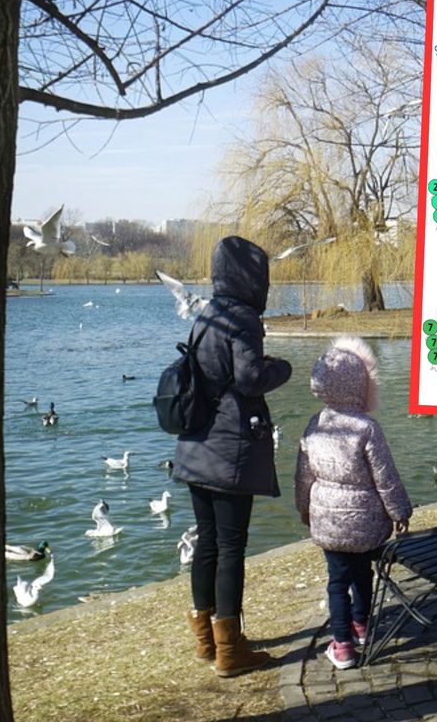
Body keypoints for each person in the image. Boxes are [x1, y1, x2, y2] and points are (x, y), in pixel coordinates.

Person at [173, 236, 292, 678]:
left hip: (195, 444)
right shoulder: (243, 318)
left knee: (207, 541)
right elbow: (249, 378)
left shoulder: (206, 313)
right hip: (228, 450)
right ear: (252, 277)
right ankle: (230, 650)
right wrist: (282, 368)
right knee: (231, 546)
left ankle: (205, 640)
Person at [295, 337, 412, 670]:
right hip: (366, 520)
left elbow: (303, 477)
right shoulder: (367, 427)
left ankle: (342, 645)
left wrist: (303, 508)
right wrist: (399, 511)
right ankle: (361, 624)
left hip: (328, 520)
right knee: (362, 573)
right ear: (362, 383)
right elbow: (385, 477)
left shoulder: (315, 425)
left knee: (337, 581)